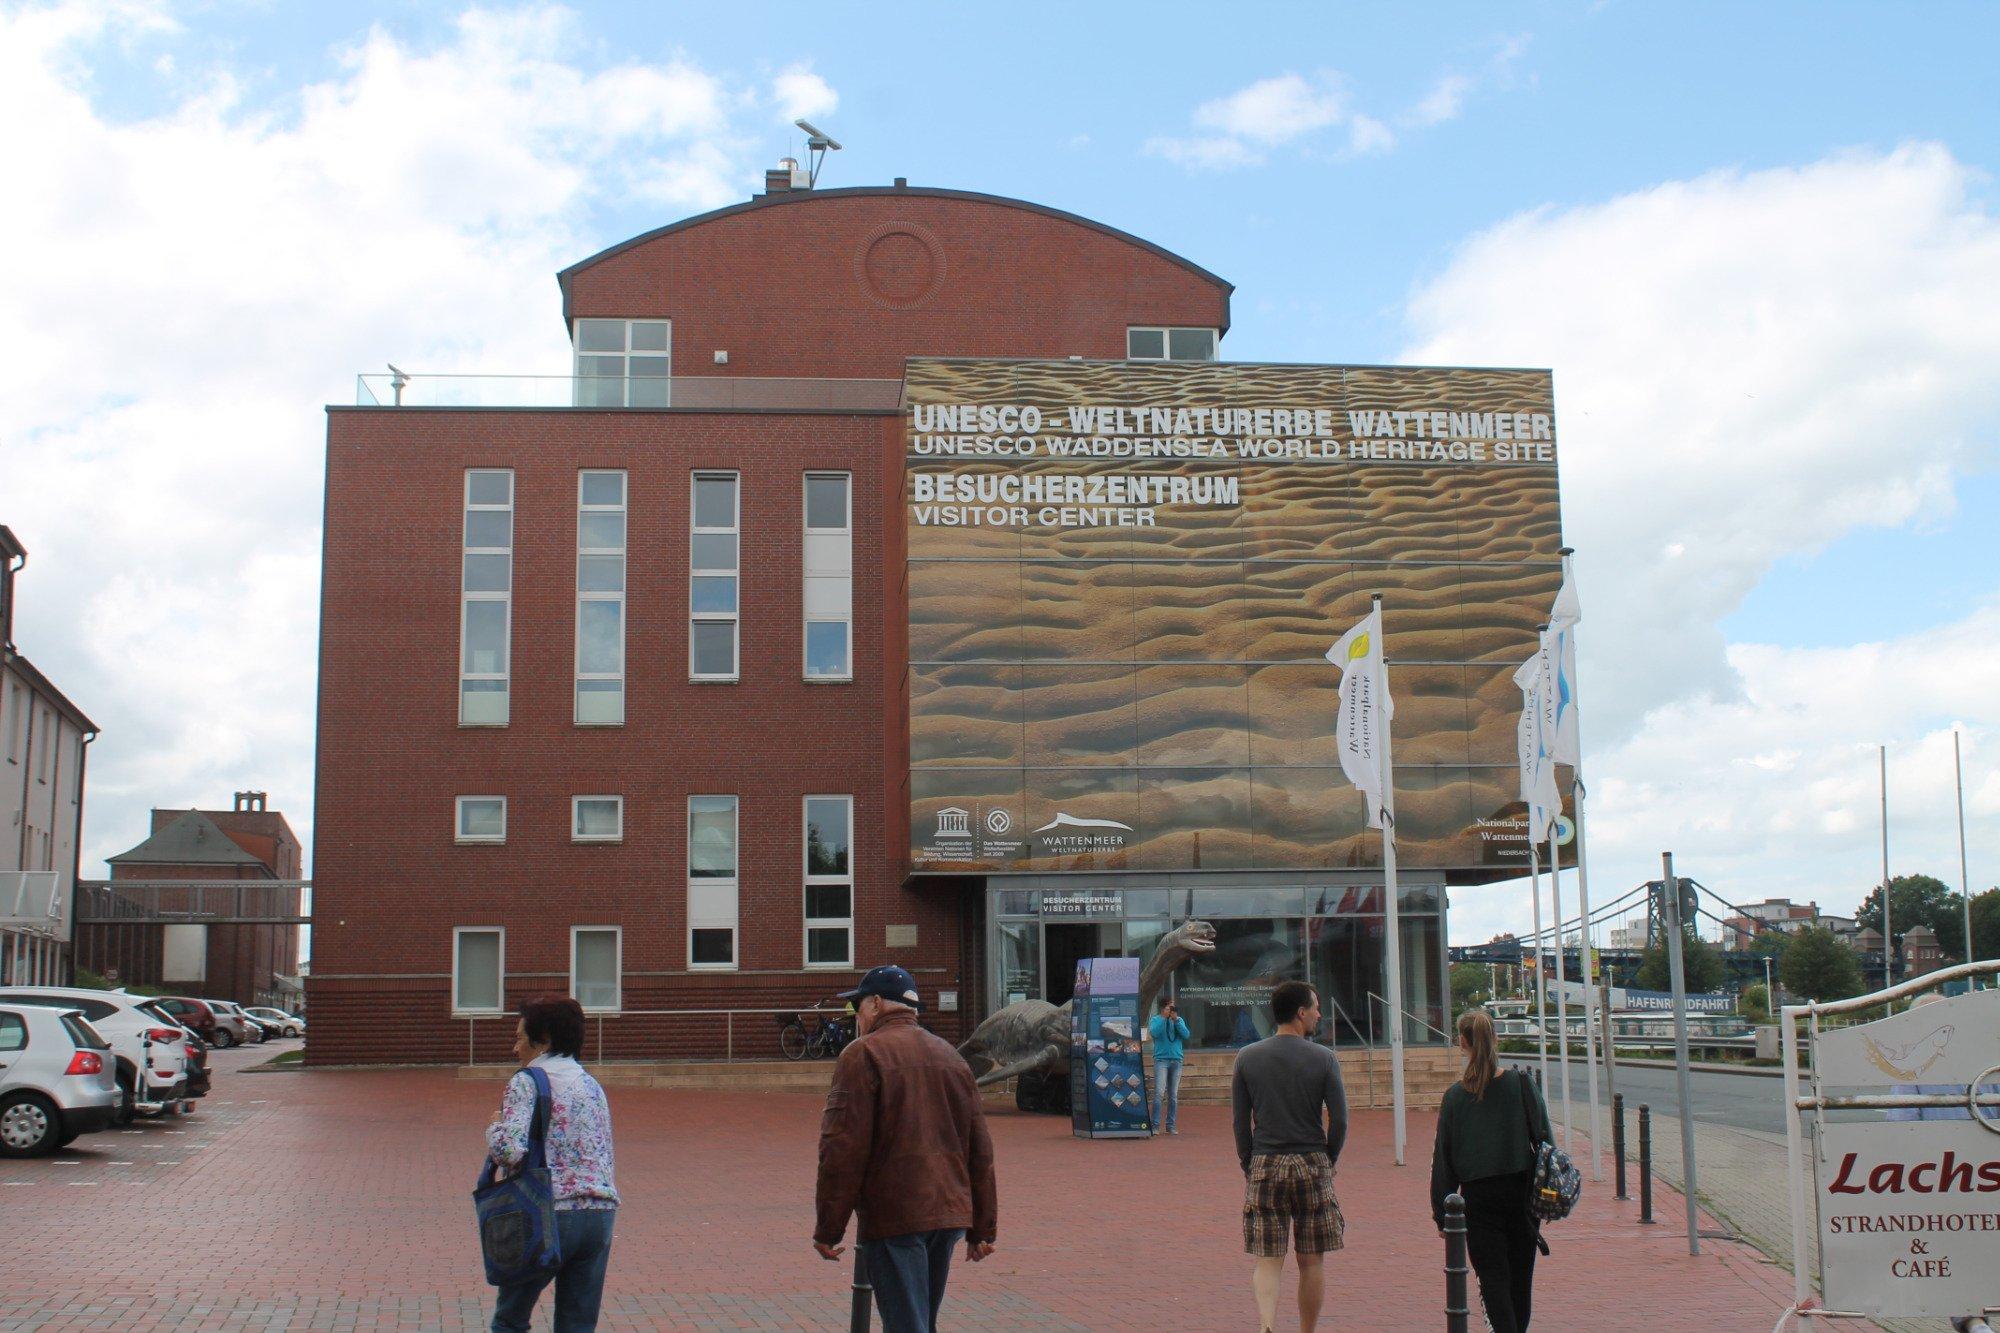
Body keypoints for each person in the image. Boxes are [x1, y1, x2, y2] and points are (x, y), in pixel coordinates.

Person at [813, 965, 998, 1333]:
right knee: (919, 1322)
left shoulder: (862, 1055)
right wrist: (983, 1227)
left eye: (858, 1007)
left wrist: (828, 1229)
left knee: (906, 1325)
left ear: (878, 1004)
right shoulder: (951, 1056)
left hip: (895, 1215)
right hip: (946, 1215)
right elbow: (980, 1149)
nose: (856, 1017)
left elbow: (841, 1150)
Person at [486, 995, 619, 1333]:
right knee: (577, 1325)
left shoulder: (525, 1081)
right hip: (599, 1216)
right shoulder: (592, 1086)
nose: (515, 1048)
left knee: (510, 1320)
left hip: (547, 1213)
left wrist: (494, 1128)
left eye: (519, 1037)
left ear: (543, 1040)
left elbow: (511, 1152)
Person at [1231, 980, 1348, 1333]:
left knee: (1267, 1258)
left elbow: (1240, 1122)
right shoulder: (1324, 1058)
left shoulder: (1247, 1057)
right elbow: (1339, 1118)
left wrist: (1249, 1162)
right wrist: (1329, 1157)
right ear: (1300, 1013)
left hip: (1266, 1160)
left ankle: (1267, 1323)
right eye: (1314, 1007)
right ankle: (1306, 1330)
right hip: (1311, 1160)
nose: (1318, 1013)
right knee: (1311, 1261)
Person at [1430, 1007, 1550, 1333]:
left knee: (1493, 1280)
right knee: (1519, 1281)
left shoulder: (1455, 1097)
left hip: (1479, 1200)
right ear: (1495, 1038)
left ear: (1462, 1043)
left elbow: (1444, 1160)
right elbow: (1547, 1141)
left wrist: (1442, 1213)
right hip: (1523, 1195)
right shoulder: (1522, 1085)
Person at [1149, 999, 1191, 1134]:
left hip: (1176, 1060)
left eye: (1172, 1008)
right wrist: (1164, 1018)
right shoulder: (1156, 1019)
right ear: (1163, 1008)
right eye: (1168, 1007)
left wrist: (1176, 1020)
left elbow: (1186, 1034)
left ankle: (1171, 1125)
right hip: (1161, 1060)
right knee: (1159, 1093)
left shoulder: (1179, 1020)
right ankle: (1155, 1125)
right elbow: (1154, 1033)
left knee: (1173, 1095)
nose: (1171, 1010)